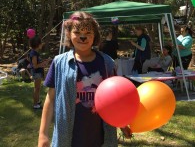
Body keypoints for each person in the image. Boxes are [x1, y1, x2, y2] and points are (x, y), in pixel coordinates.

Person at [38, 11, 131, 147]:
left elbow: (115, 99)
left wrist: (122, 124)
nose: (83, 37)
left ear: (95, 36)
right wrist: (43, 134)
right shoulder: (59, 63)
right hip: (67, 139)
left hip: (100, 139)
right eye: (77, 32)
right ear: (69, 34)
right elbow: (50, 99)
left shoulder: (107, 63)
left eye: (88, 33)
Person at [29, 36, 50, 109]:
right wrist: (43, 63)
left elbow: (37, 63)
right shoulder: (34, 53)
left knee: (38, 88)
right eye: (41, 43)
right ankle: (35, 105)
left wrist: (44, 62)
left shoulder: (35, 53)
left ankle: (37, 101)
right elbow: (35, 66)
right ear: (37, 44)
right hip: (36, 73)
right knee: (36, 88)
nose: (42, 44)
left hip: (38, 72)